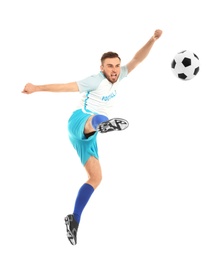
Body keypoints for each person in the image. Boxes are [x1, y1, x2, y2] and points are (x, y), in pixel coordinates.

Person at [22, 29, 163, 245]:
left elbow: (137, 59)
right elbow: (65, 87)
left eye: (116, 65)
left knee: (96, 178)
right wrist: (36, 88)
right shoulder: (94, 80)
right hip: (80, 121)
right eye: (110, 66)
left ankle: (74, 218)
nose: (114, 70)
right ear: (102, 68)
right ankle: (103, 124)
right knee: (98, 117)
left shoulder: (121, 74)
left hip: (88, 136)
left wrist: (152, 40)